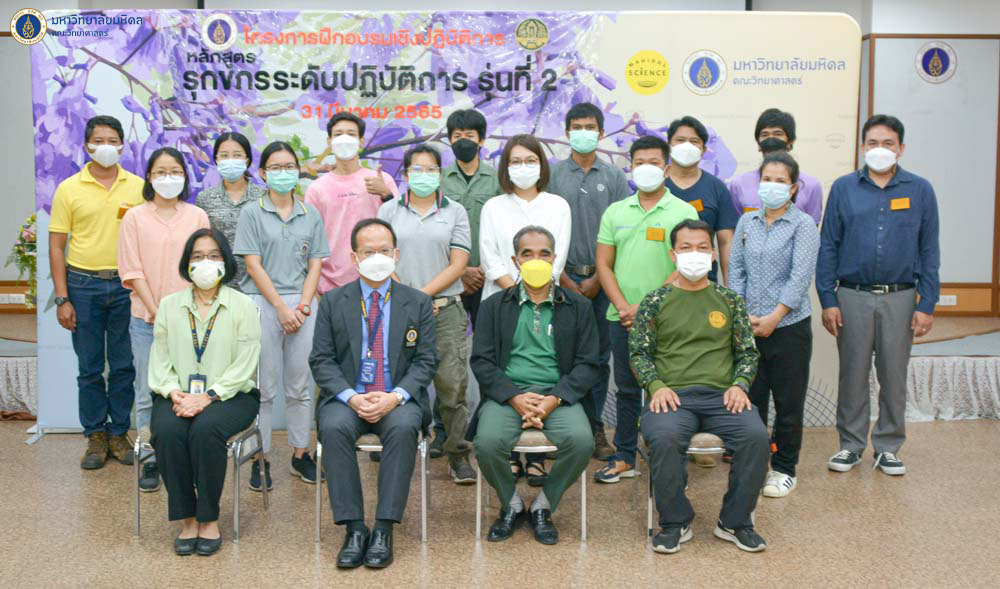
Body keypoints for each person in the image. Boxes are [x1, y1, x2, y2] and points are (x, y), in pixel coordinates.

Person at [631, 219, 769, 554]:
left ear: (712, 254)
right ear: (673, 255)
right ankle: (675, 522)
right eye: (686, 247)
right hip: (671, 396)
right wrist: (656, 386)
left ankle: (735, 522)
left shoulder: (729, 300)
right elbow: (638, 353)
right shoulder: (655, 300)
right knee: (664, 438)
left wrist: (740, 385)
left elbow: (747, 352)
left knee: (756, 437)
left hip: (724, 396)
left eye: (702, 247)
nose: (695, 254)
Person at [309, 219, 438, 570]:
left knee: (403, 428)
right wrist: (351, 397)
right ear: (354, 257)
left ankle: (383, 528)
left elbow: (426, 361)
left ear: (396, 254)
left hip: (398, 398)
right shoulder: (333, 301)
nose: (377, 257)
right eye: (368, 252)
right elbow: (321, 359)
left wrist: (395, 397)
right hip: (348, 397)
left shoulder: (418, 302)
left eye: (384, 250)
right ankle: (354, 528)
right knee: (333, 428)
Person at [817, 114, 939, 476]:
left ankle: (888, 447)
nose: (880, 149)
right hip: (851, 295)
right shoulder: (843, 188)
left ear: (901, 148)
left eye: (888, 143)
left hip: (900, 296)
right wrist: (828, 300)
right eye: (873, 143)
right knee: (852, 374)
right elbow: (828, 246)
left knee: (894, 375)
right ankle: (851, 445)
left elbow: (929, 250)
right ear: (862, 147)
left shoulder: (920, 190)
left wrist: (927, 303)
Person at [472, 225, 597, 545]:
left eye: (544, 253)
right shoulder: (493, 306)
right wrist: (514, 397)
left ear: (555, 259)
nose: (536, 260)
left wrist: (554, 399)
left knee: (582, 441)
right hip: (507, 396)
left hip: (559, 396)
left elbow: (588, 364)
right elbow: (482, 361)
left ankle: (544, 505)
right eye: (527, 254)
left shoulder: (579, 307)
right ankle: (511, 504)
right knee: (487, 443)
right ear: (516, 260)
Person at [148, 228, 262, 557]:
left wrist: (208, 395)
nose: (206, 263)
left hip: (232, 395)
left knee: (205, 429)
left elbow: (246, 363)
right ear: (187, 263)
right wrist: (174, 392)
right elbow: (160, 359)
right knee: (168, 431)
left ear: (226, 262)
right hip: (178, 395)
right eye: (197, 256)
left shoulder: (243, 305)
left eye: (213, 255)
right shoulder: (169, 305)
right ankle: (187, 518)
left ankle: (209, 518)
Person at [593, 135, 699, 484]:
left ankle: (667, 453)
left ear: (666, 169)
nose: (646, 169)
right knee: (627, 389)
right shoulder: (616, 212)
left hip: (668, 317)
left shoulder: (684, 212)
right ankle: (625, 454)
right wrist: (624, 307)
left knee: (668, 386)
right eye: (639, 163)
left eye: (654, 163)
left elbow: (685, 265)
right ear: (630, 168)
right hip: (621, 317)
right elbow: (604, 264)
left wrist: (644, 307)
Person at [233, 141, 330, 491]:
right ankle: (260, 458)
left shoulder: (310, 214)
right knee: (264, 387)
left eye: (289, 166)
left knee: (300, 386)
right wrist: (280, 308)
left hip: (303, 306)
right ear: (262, 173)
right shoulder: (251, 213)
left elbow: (316, 263)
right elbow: (252, 265)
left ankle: (300, 453)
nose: (283, 173)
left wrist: (303, 305)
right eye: (275, 167)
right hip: (263, 303)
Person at [377, 145, 476, 484]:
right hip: (397, 308)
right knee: (396, 380)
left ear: (439, 174)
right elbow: (381, 258)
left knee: (452, 385)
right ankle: (396, 443)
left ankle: (457, 453)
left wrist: (422, 296)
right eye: (416, 169)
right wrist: (411, 299)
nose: (424, 175)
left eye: (431, 169)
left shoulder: (455, 211)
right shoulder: (388, 210)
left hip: (445, 310)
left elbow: (459, 263)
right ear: (405, 174)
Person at [49, 115, 144, 470]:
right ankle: (95, 436)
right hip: (82, 285)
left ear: (122, 145)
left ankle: (119, 433)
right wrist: (63, 298)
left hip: (125, 286)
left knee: (123, 366)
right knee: (89, 368)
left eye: (113, 140)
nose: (106, 146)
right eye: (99, 140)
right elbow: (57, 246)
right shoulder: (68, 188)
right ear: (87, 145)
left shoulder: (138, 187)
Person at [479, 133, 571, 485]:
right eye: (515, 161)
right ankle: (509, 454)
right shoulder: (493, 206)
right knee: (504, 370)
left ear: (542, 165)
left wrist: (535, 290)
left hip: (546, 301)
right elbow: (490, 257)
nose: (523, 167)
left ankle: (536, 458)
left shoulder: (558, 206)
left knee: (543, 369)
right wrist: (516, 293)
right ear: (505, 167)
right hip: (502, 301)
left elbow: (556, 259)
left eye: (530, 160)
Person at [118, 147, 210, 492]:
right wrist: (156, 309)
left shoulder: (197, 216)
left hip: (191, 320)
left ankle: (188, 455)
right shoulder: (134, 217)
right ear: (149, 176)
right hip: (146, 318)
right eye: (161, 172)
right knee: (147, 391)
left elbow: (204, 266)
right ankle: (151, 458)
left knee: (190, 387)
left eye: (175, 172)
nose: (168, 178)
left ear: (185, 177)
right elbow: (131, 269)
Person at [728, 152, 819, 498]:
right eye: (767, 179)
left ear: (794, 188)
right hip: (749, 326)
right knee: (751, 401)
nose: (773, 186)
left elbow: (800, 277)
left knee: (788, 403)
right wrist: (742, 314)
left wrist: (775, 317)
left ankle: (784, 468)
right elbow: (736, 270)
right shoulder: (746, 222)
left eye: (781, 181)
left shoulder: (803, 225)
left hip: (789, 327)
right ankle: (752, 465)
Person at [547, 102, 629, 461]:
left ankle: (595, 429)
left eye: (590, 127)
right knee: (559, 354)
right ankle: (561, 426)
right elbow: (545, 230)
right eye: (577, 127)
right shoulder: (552, 175)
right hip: (559, 279)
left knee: (597, 357)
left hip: (603, 282)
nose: (584, 133)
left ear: (601, 132)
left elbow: (623, 230)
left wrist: (599, 277)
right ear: (567, 133)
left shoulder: (614, 177)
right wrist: (562, 276)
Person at [431, 108, 503, 459]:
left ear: (482, 140)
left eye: (470, 136)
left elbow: (503, 229)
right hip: (450, 281)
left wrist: (483, 269)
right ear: (449, 140)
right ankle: (442, 432)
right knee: (448, 360)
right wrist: (461, 271)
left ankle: (484, 426)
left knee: (489, 355)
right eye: (457, 136)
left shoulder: (497, 179)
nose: (463, 142)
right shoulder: (438, 180)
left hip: (489, 281)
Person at [306, 112, 399, 296]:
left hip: (378, 280)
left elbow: (399, 225)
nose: (344, 139)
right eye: (338, 134)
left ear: (361, 141)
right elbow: (310, 242)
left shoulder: (382, 180)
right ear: (329, 142)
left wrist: (386, 194)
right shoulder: (316, 189)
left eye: (351, 134)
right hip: (330, 286)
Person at [664, 115, 740, 285]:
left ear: (704, 150)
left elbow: (726, 242)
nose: (686, 146)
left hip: (704, 283)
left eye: (694, 141)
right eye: (680, 140)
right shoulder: (656, 185)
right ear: (669, 145)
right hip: (660, 283)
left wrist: (730, 288)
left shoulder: (717, 188)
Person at [195, 131, 268, 291]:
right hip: (218, 282)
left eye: (237, 155)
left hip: (258, 283)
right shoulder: (205, 198)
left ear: (247, 160)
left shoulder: (263, 196)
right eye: (224, 155)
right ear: (216, 160)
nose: (230, 160)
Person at [728, 108, 823, 224]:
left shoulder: (811, 185)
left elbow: (812, 228)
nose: (771, 139)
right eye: (765, 134)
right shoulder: (739, 184)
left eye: (778, 134)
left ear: (790, 141)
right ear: (758, 143)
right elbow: (736, 227)